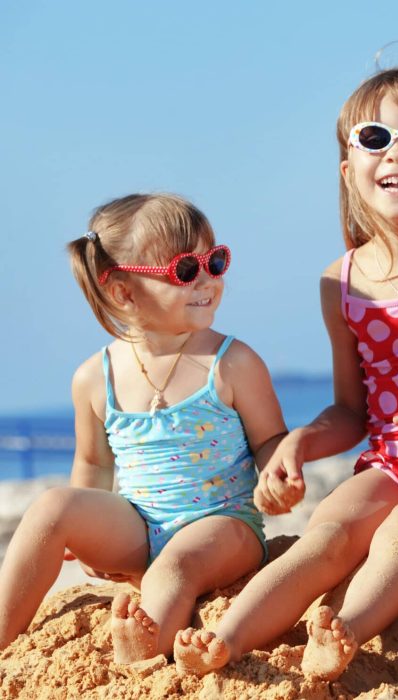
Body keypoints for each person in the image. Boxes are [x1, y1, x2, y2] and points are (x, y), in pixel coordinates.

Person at [173, 67, 398, 681]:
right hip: (393, 463)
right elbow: (353, 411)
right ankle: (225, 638)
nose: (397, 152)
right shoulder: (338, 282)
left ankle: (348, 630)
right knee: (329, 532)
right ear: (349, 171)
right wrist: (300, 443)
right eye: (375, 138)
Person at [0, 194, 288, 663]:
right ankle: (4, 634)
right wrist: (85, 533)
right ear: (123, 292)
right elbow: (93, 463)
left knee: (176, 566)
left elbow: (270, 440)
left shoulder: (231, 362)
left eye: (215, 262)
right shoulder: (96, 377)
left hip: (223, 526)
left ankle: (146, 654)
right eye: (186, 271)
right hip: (139, 525)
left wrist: (279, 472)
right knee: (52, 507)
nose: (209, 281)